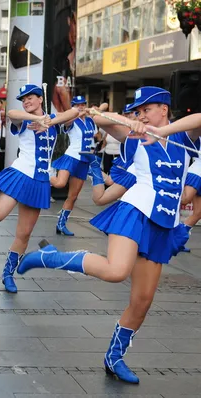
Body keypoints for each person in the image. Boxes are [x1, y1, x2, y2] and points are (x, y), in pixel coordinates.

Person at [17, 87, 201, 384]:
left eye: (146, 110)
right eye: (138, 111)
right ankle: (51, 257)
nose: (141, 115)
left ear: (164, 109)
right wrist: (133, 124)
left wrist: (161, 130)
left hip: (164, 223)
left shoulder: (181, 137)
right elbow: (103, 121)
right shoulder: (135, 137)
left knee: (141, 302)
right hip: (135, 213)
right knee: (116, 271)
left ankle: (114, 358)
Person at [0, 84, 78, 294]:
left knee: (25, 234)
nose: (26, 102)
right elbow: (11, 113)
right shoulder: (23, 121)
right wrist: (37, 119)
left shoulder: (53, 122)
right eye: (24, 99)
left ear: (40, 99)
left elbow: (75, 111)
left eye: (30, 98)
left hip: (39, 181)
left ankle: (8, 274)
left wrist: (49, 121)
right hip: (20, 174)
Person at [50, 96, 107, 236]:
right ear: (73, 107)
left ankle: (61, 224)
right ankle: (45, 172)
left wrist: (94, 112)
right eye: (77, 105)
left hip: (85, 159)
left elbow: (104, 107)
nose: (81, 107)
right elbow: (65, 121)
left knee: (73, 196)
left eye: (83, 105)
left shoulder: (89, 121)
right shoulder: (71, 120)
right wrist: (78, 113)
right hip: (72, 156)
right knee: (59, 183)